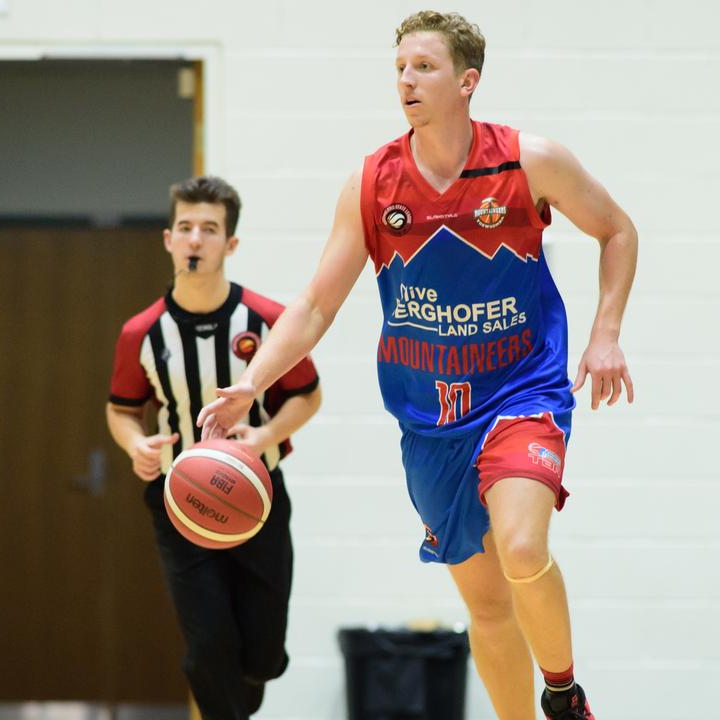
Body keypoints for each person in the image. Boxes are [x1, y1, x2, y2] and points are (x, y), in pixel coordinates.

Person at [198, 11, 636, 720]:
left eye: (424, 67)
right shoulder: (372, 182)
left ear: (468, 81)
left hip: (523, 388)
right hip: (430, 419)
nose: (406, 79)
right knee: (488, 607)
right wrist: (252, 381)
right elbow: (314, 304)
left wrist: (605, 332)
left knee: (523, 548)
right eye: (400, 66)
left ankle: (563, 691)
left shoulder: (529, 160)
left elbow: (618, 230)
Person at [106, 176, 322, 720]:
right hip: (179, 503)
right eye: (185, 228)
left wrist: (266, 436)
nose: (196, 239)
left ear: (231, 245)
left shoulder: (268, 320)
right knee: (208, 648)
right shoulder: (142, 333)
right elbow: (121, 409)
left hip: (257, 500)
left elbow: (308, 396)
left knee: (263, 655)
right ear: (168, 240)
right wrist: (137, 445)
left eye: (209, 229)